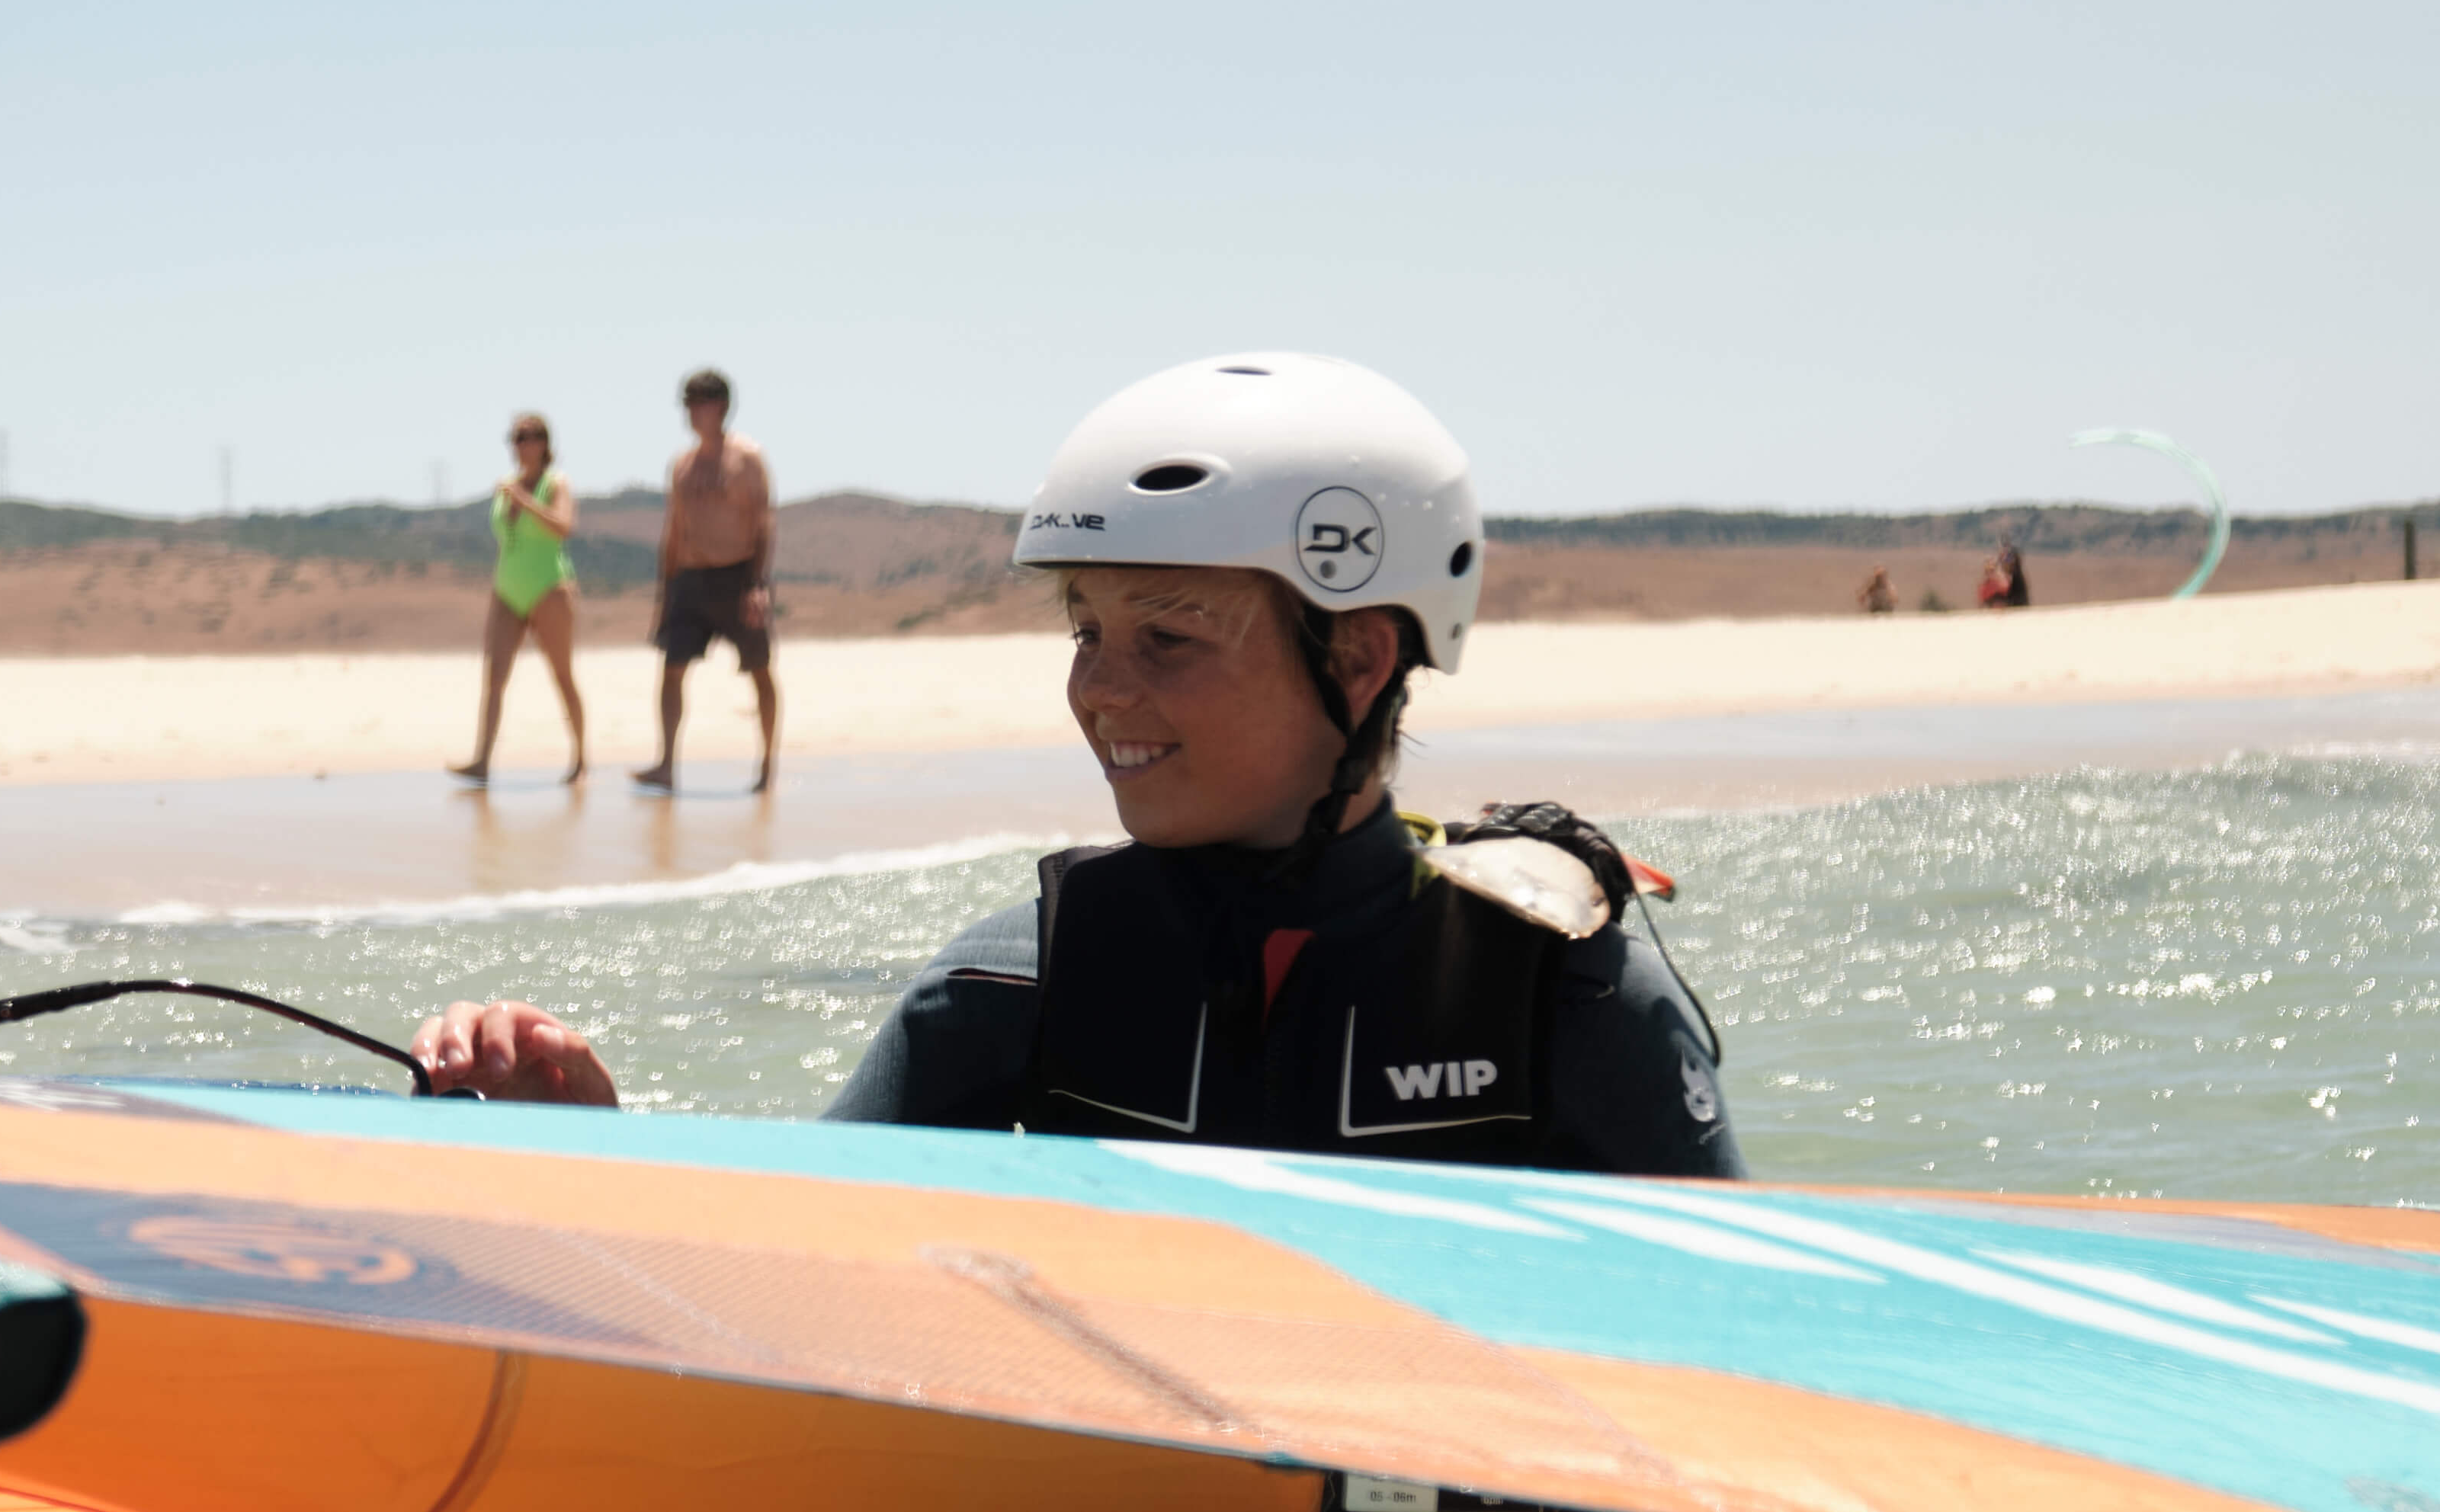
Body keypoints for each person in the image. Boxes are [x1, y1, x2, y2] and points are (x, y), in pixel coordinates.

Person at [412, 351, 1738, 1184]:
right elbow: (761, 1289)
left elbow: (1769, 1372)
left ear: (1353, 659)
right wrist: (574, 1145)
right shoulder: (1019, 980)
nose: (1097, 687)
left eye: (1165, 635)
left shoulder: (1553, 984)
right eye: (1084, 628)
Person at [634, 367, 778, 796]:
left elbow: (764, 522)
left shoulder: (747, 458)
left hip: (738, 578)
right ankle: (665, 765)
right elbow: (673, 530)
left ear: (720, 406)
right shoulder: (681, 465)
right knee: (672, 668)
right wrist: (665, 591)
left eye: (699, 402)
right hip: (690, 580)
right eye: (688, 403)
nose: (692, 412)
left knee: (759, 668)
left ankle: (768, 766)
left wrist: (758, 584)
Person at [446, 410, 585, 785]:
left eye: (528, 436)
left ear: (545, 443)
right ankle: (482, 761)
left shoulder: (556, 484)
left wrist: (524, 501)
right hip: (508, 589)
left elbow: (563, 527)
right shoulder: (506, 485)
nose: (521, 445)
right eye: (516, 437)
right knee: (494, 677)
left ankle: (580, 758)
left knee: (562, 674)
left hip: (550, 588)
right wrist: (512, 501)